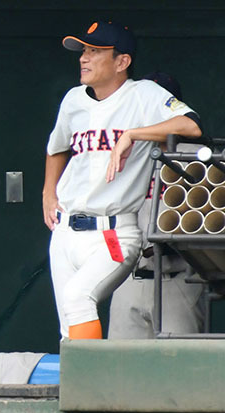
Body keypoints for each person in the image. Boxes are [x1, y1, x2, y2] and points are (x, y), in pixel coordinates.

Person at [42, 21, 202, 340]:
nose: (84, 58)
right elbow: (56, 148)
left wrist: (133, 134)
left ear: (121, 61)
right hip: (66, 228)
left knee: (78, 299)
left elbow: (192, 126)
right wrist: (48, 193)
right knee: (68, 325)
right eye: (83, 51)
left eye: (95, 51)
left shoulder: (143, 94)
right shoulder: (73, 100)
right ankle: (84, 387)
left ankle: (90, 385)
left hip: (113, 229)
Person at [108, 72, 205, 338]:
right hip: (129, 274)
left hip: (178, 277)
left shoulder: (194, 158)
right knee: (120, 369)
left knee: (180, 368)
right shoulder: (123, 152)